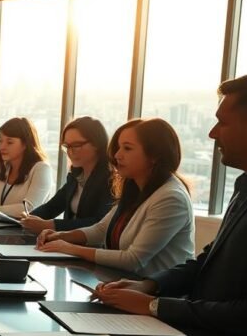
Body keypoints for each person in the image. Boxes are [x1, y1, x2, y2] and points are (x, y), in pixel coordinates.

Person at [94, 72, 247, 336]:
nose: (212, 134)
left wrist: (154, 306)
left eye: (221, 123)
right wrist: (149, 285)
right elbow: (209, 261)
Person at [37, 118, 194, 275]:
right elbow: (100, 230)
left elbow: (133, 260)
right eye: (118, 148)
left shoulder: (171, 198)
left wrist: (69, 248)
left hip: (153, 294)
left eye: (127, 148)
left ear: (154, 155)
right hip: (119, 283)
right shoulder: (136, 188)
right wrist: (60, 236)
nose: (117, 155)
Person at [21, 116, 115, 233]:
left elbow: (99, 223)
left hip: (91, 248)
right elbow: (52, 207)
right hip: (66, 244)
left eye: (76, 146)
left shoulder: (110, 180)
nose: (70, 152)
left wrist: (51, 225)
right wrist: (27, 219)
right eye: (67, 146)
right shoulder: (75, 177)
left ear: (97, 144)